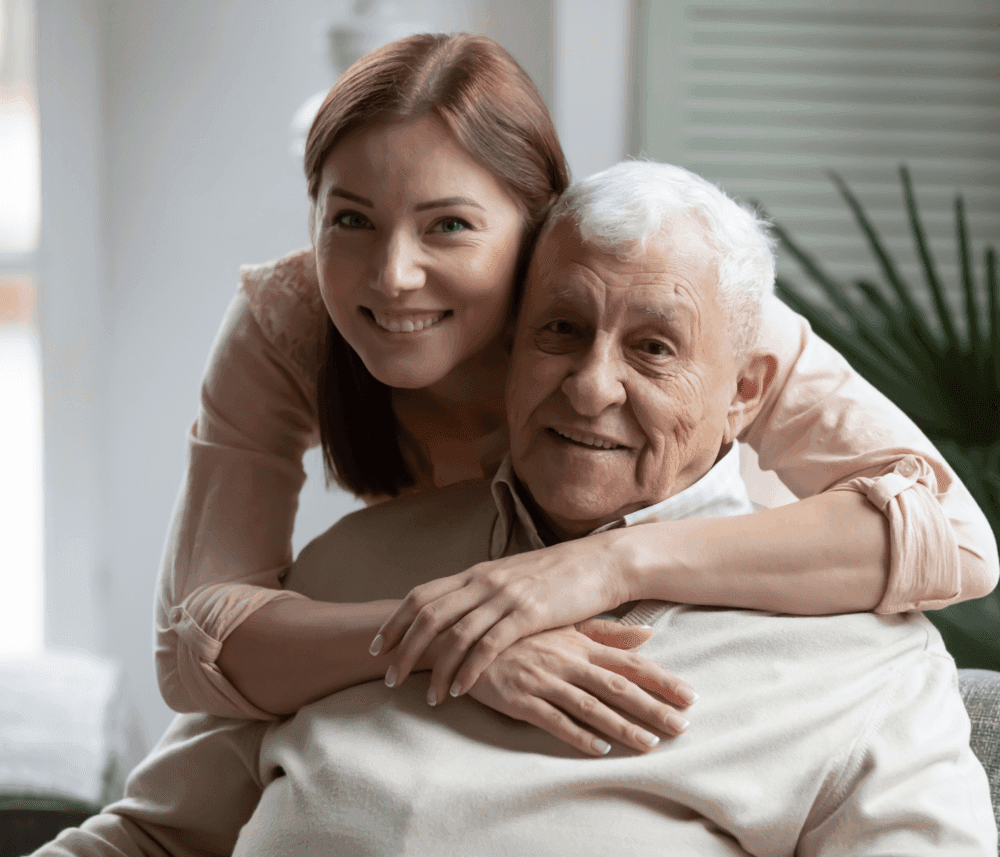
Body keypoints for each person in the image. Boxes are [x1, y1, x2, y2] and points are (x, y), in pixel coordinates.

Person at [36, 161, 996, 857]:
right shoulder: (352, 566)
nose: (590, 387)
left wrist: (606, 567)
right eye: (561, 330)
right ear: (509, 349)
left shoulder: (866, 664)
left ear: (744, 391)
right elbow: (150, 838)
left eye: (654, 348)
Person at [157, 31, 998, 724]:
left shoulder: (672, 303)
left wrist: (609, 566)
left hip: (706, 628)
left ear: (536, 231)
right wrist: (458, 634)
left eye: (448, 224)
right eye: (351, 219)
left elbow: (957, 540)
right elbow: (192, 646)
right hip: (488, 646)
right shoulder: (289, 319)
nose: (392, 276)